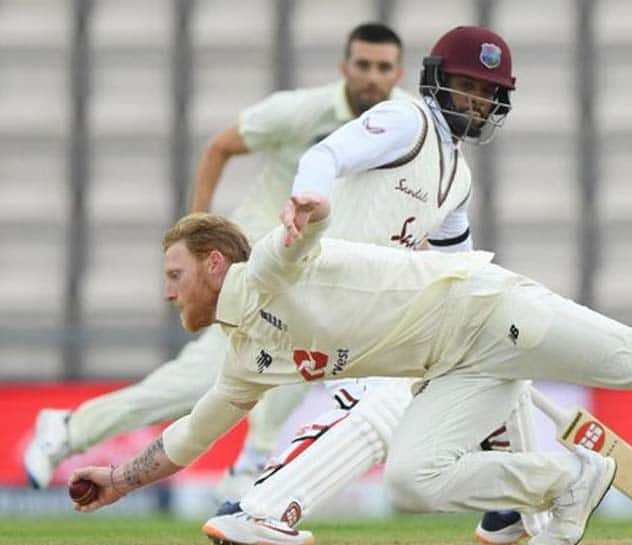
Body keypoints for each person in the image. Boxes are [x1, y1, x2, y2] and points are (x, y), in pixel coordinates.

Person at [70, 193, 632, 545]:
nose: (167, 289)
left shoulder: (265, 274)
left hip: (493, 310)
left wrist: (310, 214)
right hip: (455, 362)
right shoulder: (245, 351)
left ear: (215, 264)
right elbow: (186, 438)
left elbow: (296, 242)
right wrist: (118, 479)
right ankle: (565, 477)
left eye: (175, 272)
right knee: (411, 481)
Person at [26, 23, 534, 544]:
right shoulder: (307, 112)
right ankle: (80, 433)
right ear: (345, 66)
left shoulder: (418, 129)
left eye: (384, 67)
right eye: (364, 65)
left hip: (321, 287)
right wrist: (197, 234)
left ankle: (253, 497)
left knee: (368, 376)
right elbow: (224, 146)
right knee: (204, 386)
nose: (374, 77)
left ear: (401, 73)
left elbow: (431, 234)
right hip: (260, 275)